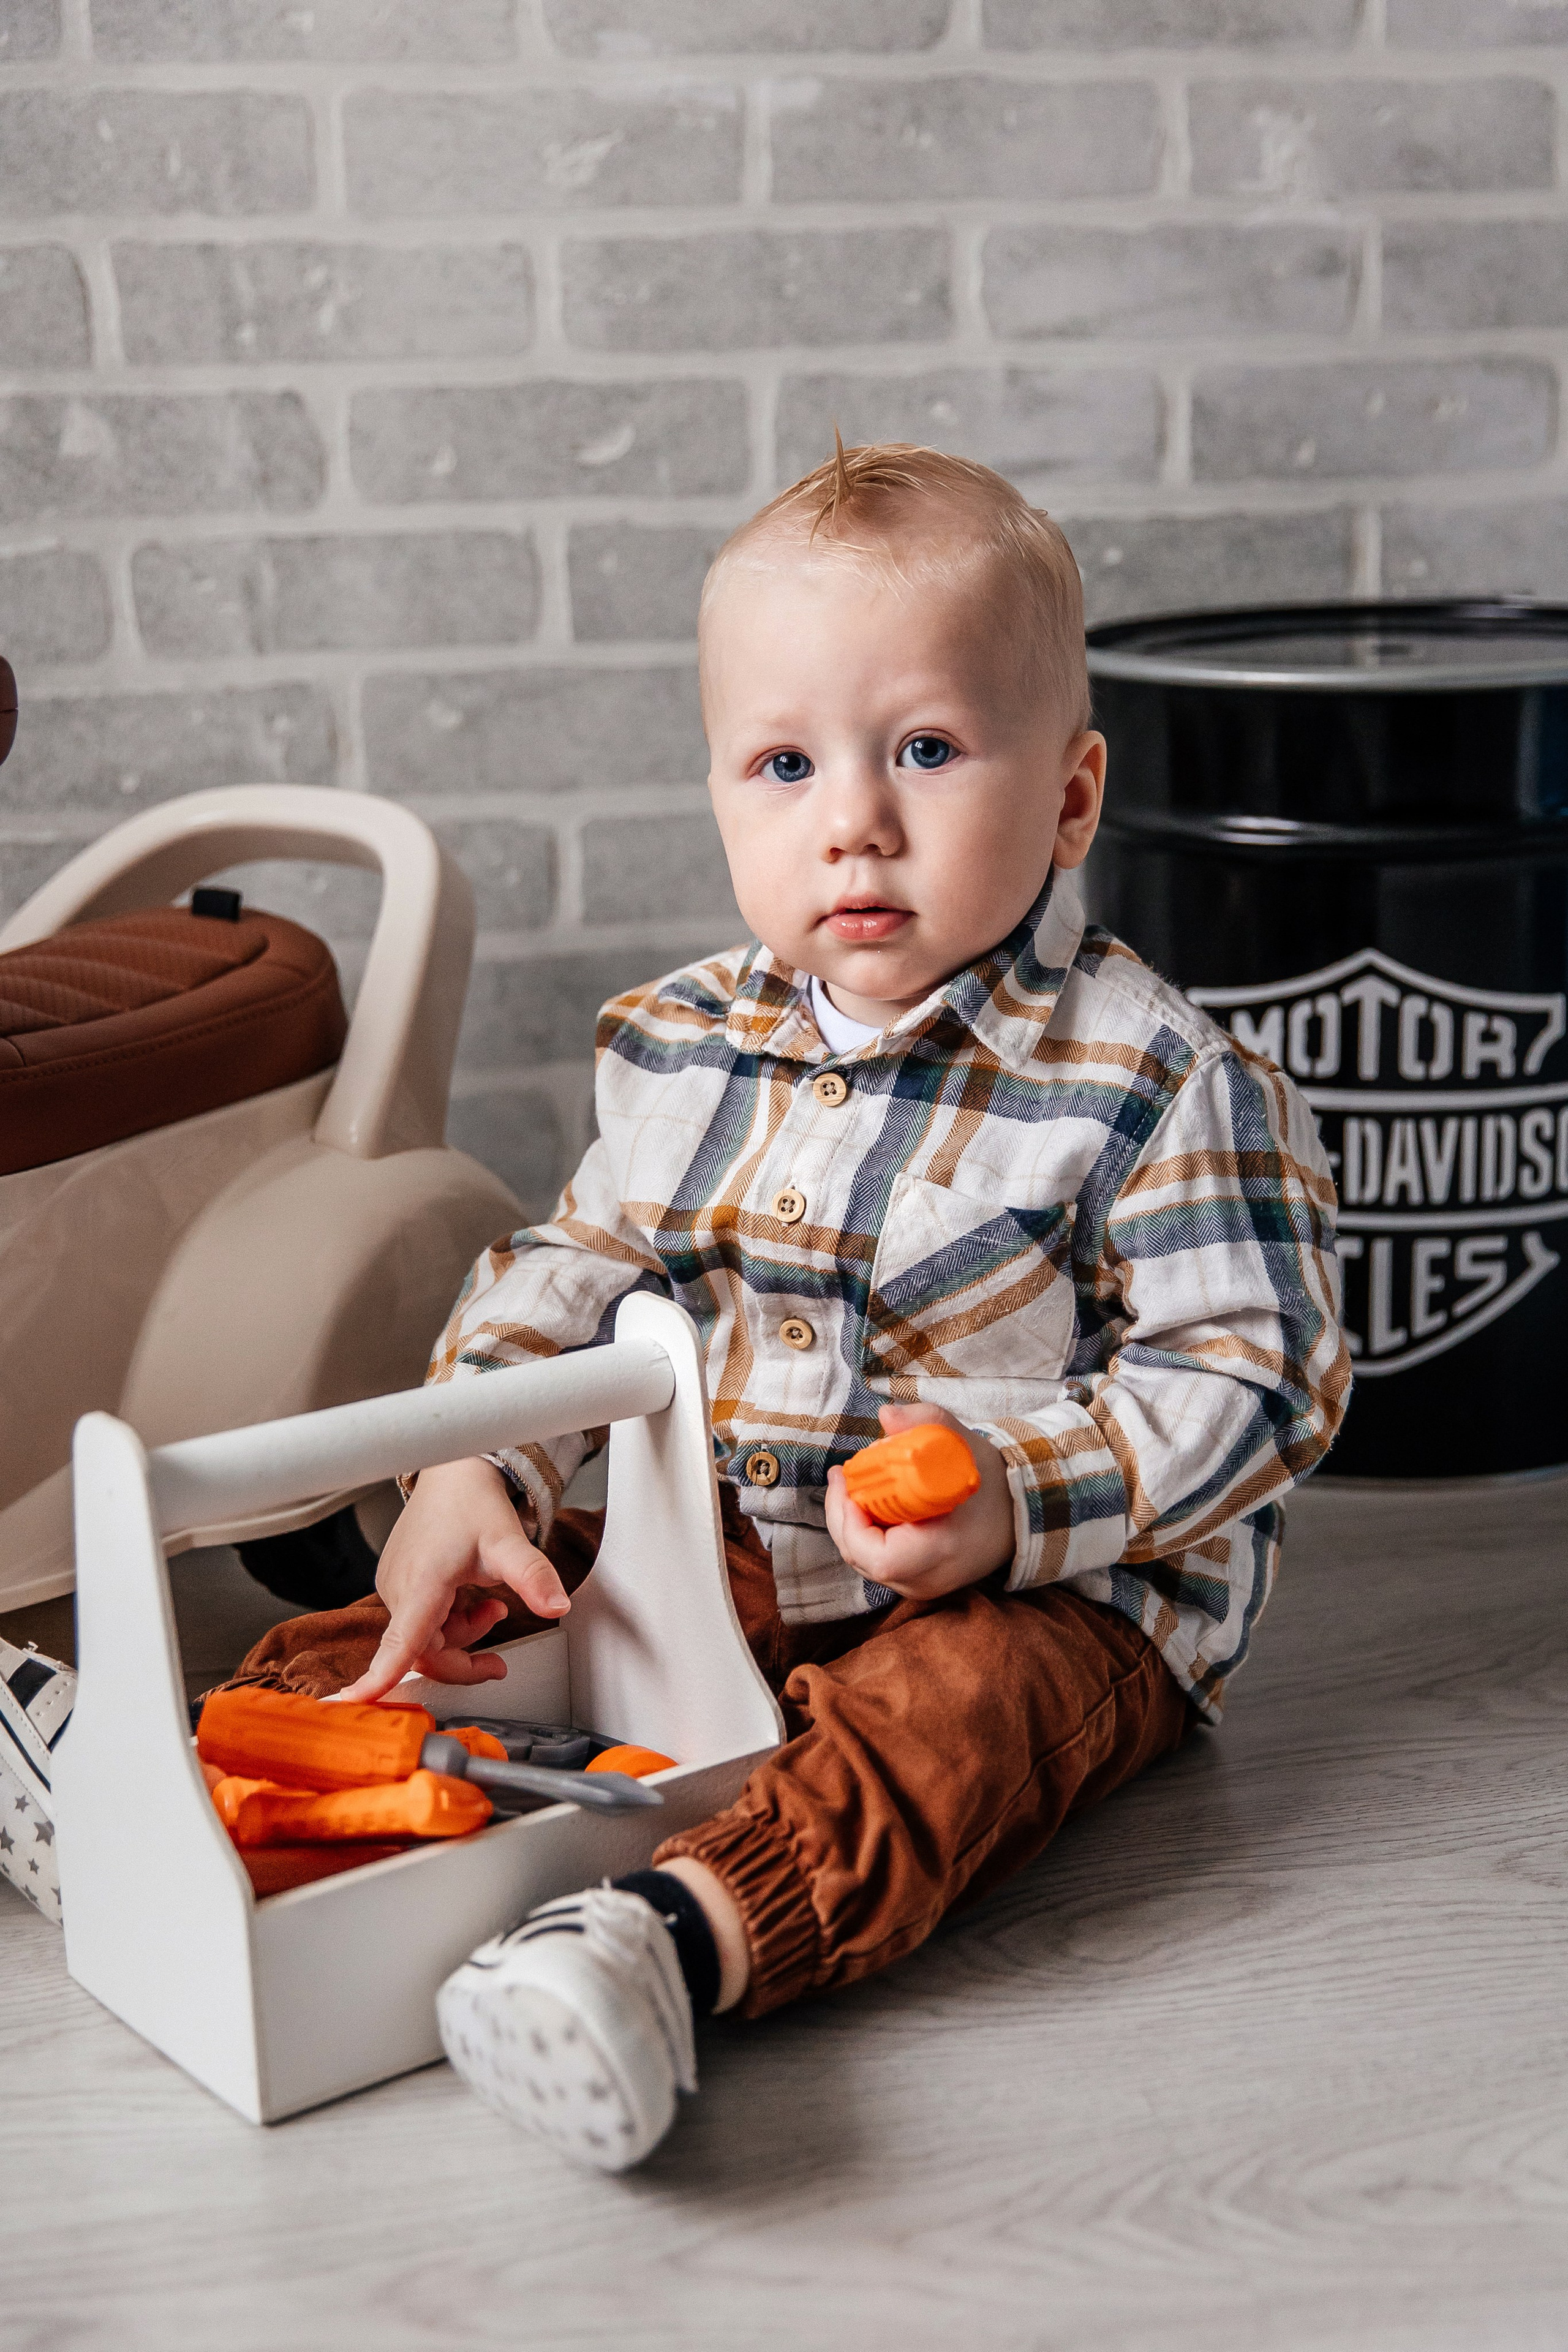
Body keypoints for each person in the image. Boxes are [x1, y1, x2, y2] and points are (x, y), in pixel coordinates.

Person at [258, 441, 1349, 2170]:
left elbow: (1259, 1377)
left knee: (944, 1737)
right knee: (476, 1623)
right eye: (785, 764)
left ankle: (667, 1945)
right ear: (721, 795)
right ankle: (224, 1777)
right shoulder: (684, 1047)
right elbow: (573, 1271)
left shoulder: (1152, 1076)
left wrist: (1013, 1499)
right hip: (754, 1531)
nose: (853, 817)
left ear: (1070, 800)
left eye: (925, 749)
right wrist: (481, 1470)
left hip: (1067, 1599)